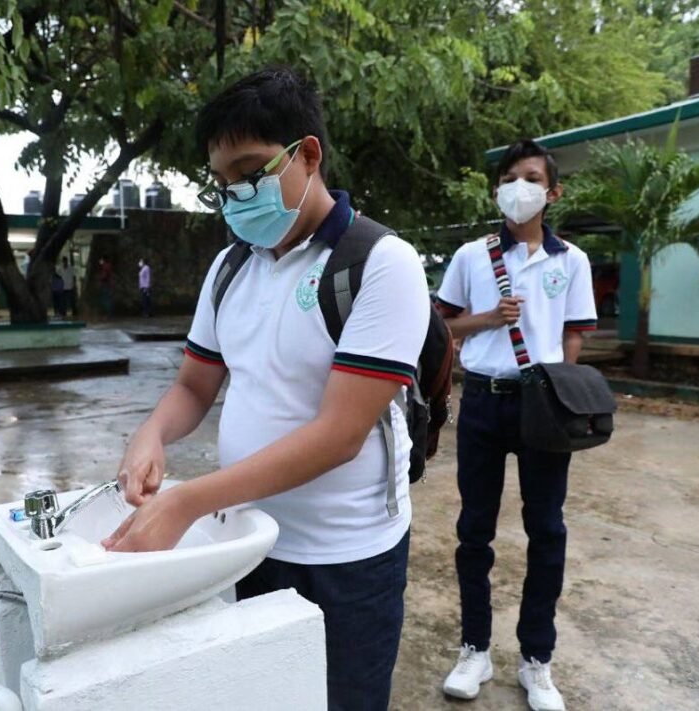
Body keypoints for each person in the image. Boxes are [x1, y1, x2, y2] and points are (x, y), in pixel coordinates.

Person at [101, 66, 429, 710]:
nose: (235, 193)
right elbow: (195, 387)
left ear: (308, 155)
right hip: (248, 540)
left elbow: (338, 437)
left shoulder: (379, 265)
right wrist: (151, 433)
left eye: (250, 171)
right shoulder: (229, 268)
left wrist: (187, 501)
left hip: (347, 558)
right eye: (222, 182)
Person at [436, 139, 597, 711]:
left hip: (543, 407)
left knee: (546, 531)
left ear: (552, 193)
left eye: (532, 178)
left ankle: (537, 660)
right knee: (474, 530)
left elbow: (574, 331)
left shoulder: (570, 261)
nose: (519, 187)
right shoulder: (471, 256)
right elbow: (443, 329)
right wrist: (485, 319)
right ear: (498, 188)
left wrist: (561, 392)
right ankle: (475, 649)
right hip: (482, 401)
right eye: (510, 177)